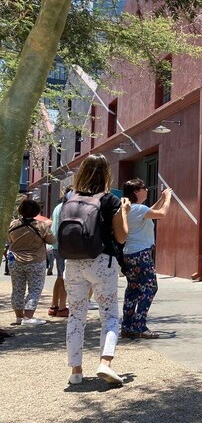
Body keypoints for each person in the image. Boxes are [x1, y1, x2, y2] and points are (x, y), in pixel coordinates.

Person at [64, 154, 130, 385]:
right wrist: (124, 212)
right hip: (102, 262)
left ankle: (76, 371)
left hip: (73, 263)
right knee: (109, 315)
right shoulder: (110, 200)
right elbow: (121, 237)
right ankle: (105, 363)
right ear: (106, 174)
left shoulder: (70, 198)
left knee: (76, 316)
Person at [121, 179, 173, 339]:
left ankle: (127, 326)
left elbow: (150, 212)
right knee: (150, 288)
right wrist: (168, 198)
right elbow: (162, 214)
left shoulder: (131, 209)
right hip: (141, 254)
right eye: (143, 188)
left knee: (133, 289)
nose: (147, 190)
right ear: (136, 191)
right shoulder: (139, 209)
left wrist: (161, 199)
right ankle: (139, 325)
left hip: (129, 254)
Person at [8, 199, 55, 326]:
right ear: (36, 211)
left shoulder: (13, 224)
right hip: (36, 261)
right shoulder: (41, 226)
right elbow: (52, 240)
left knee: (17, 289)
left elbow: (9, 239)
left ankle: (19, 317)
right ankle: (28, 317)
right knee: (34, 289)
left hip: (15, 260)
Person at [47, 187, 72, 318]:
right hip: (65, 245)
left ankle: (54, 305)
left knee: (60, 275)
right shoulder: (68, 207)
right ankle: (62, 307)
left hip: (56, 245)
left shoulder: (58, 207)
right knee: (64, 277)